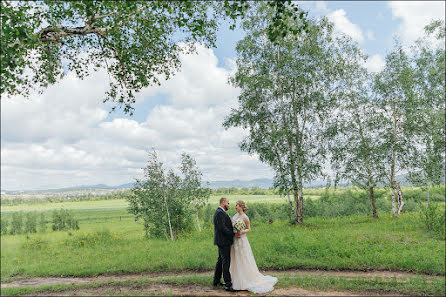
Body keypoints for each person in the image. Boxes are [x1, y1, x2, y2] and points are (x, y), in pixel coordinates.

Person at [229, 200, 278, 294]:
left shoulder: (245, 217)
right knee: (235, 258)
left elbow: (249, 229)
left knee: (243, 258)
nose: (235, 207)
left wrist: (241, 231)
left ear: (241, 207)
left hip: (241, 240)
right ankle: (235, 280)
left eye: (237, 205)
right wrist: (234, 231)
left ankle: (245, 280)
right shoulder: (235, 215)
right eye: (235, 205)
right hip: (234, 239)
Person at [213, 197, 238, 292]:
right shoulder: (219, 213)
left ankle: (216, 281)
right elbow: (222, 228)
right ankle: (228, 284)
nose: (229, 205)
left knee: (220, 261)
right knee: (226, 262)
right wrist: (232, 234)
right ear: (223, 202)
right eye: (228, 203)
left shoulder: (221, 212)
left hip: (222, 240)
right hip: (223, 241)